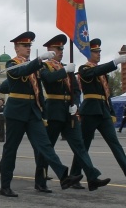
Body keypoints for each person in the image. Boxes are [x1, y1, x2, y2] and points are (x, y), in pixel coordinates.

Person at [0, 31, 83, 197]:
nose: (28, 48)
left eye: (30, 45)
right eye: (24, 45)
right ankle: (5, 185)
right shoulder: (11, 64)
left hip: (33, 111)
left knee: (45, 146)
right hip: (16, 111)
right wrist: (39, 60)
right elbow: (20, 72)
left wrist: (42, 112)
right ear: (16, 47)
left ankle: (64, 176)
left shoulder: (34, 67)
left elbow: (38, 92)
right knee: (11, 149)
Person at [35, 34, 110, 193]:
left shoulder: (64, 67)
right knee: (48, 148)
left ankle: (92, 177)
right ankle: (40, 181)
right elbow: (48, 79)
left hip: (68, 111)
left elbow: (75, 89)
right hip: (54, 110)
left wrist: (75, 104)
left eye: (62, 48)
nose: (61, 51)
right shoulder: (45, 66)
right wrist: (64, 71)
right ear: (49, 50)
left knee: (79, 146)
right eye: (58, 49)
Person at [72, 39, 126, 186]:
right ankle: (75, 175)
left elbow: (107, 93)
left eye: (99, 51)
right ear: (88, 54)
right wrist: (114, 63)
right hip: (90, 111)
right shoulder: (84, 69)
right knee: (84, 145)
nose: (98, 54)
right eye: (95, 52)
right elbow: (95, 71)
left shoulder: (101, 72)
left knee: (115, 143)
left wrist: (111, 112)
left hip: (103, 110)